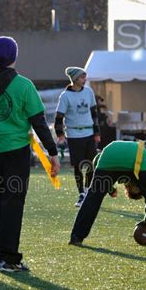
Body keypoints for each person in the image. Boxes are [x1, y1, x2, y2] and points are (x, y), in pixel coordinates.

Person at [0, 36, 60, 272]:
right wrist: (53, 152)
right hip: (16, 152)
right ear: (14, 56)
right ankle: (9, 257)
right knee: (12, 204)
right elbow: (39, 122)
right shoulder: (23, 85)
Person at [68, 140, 146, 249]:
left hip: (110, 154)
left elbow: (97, 160)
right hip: (135, 157)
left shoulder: (127, 177)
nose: (136, 189)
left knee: (92, 198)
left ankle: (76, 236)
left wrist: (109, 189)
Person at [54, 67, 100, 207]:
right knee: (78, 166)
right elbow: (58, 118)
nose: (84, 80)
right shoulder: (65, 96)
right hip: (74, 135)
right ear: (74, 79)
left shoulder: (89, 92)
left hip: (89, 134)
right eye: (82, 77)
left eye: (84, 77)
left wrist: (97, 133)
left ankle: (87, 191)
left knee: (91, 165)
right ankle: (81, 194)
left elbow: (94, 114)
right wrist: (60, 135)